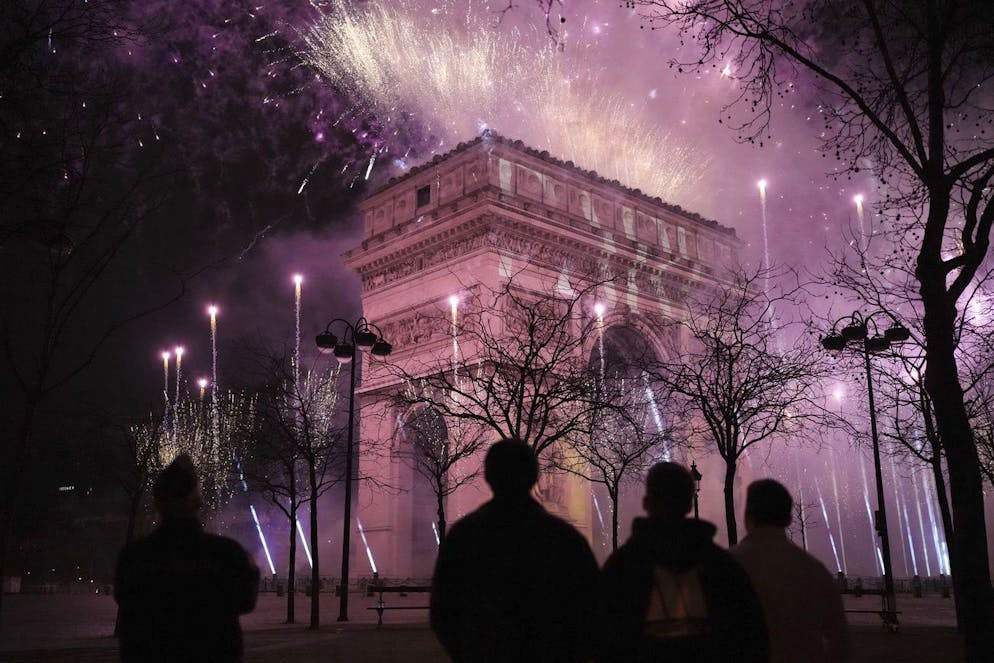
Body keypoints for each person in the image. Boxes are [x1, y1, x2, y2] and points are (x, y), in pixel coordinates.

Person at [430, 438, 599, 663]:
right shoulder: (566, 538)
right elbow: (592, 610)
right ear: (536, 476)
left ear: (489, 476)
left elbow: (443, 611)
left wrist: (468, 654)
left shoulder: (464, 536)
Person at [598, 462, 769, 663]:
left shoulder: (622, 568)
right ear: (689, 503)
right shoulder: (723, 568)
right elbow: (752, 639)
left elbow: (602, 640)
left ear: (647, 502)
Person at [114, 454, 259, 663]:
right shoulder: (224, 553)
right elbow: (245, 601)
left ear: (158, 501)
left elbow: (126, 602)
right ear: (198, 502)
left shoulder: (134, 557)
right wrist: (251, 569)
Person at [731, 479, 850, 663]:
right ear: (788, 518)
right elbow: (839, 642)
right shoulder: (815, 571)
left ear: (748, 515)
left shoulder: (727, 565)